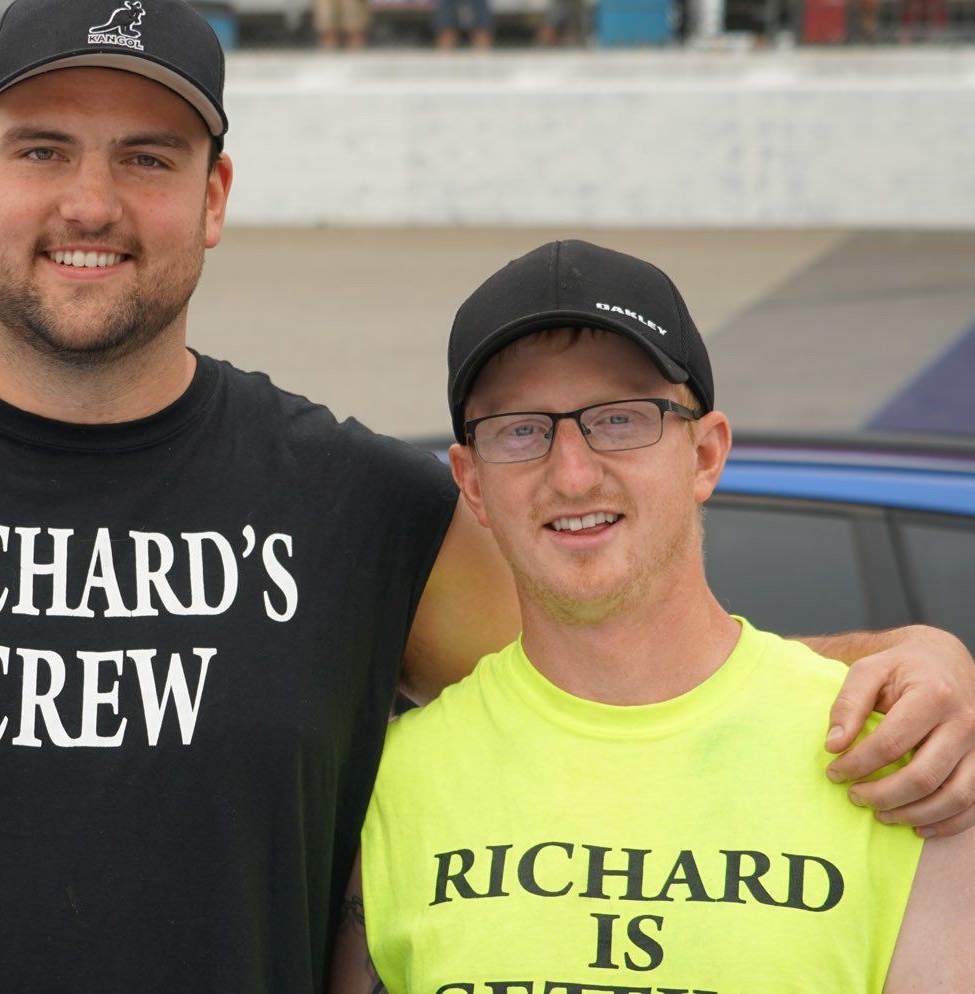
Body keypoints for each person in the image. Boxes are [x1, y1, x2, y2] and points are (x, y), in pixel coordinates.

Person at [0, 3, 975, 990]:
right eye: (42, 151)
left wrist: (909, 665)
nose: (92, 202)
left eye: (147, 157)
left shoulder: (365, 513)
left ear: (212, 196)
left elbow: (630, 675)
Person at [330, 240, 975, 994]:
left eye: (622, 418)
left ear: (705, 454)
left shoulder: (898, 762)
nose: (572, 473)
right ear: (471, 482)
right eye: (520, 430)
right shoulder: (391, 782)